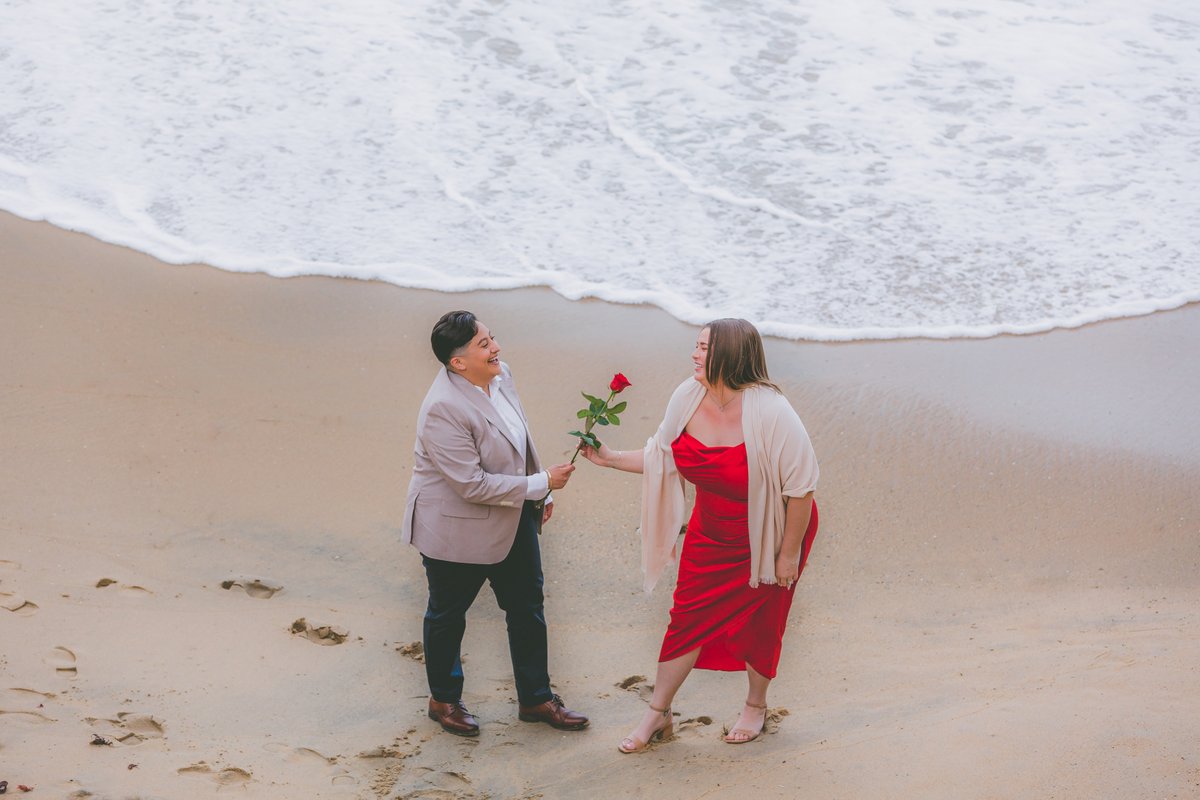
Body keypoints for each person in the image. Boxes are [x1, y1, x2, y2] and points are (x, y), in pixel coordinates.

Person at [580, 318, 819, 752]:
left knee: (762, 621)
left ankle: (755, 706)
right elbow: (662, 455)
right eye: (696, 345)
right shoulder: (687, 397)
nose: (694, 354)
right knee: (685, 618)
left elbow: (801, 489)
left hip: (769, 532)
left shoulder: (772, 412)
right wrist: (611, 458)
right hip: (711, 531)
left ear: (729, 355)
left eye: (704, 348)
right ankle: (658, 713)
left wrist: (787, 556)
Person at [402, 310, 588, 736]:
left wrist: (543, 492)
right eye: (484, 345)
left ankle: (536, 699)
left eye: (492, 338)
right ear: (457, 363)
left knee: (527, 608)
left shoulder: (501, 376)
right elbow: (470, 484)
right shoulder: (442, 409)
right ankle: (444, 700)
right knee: (447, 615)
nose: (496, 348)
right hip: (455, 528)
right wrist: (539, 483)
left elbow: (520, 438)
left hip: (513, 512)